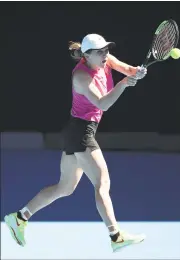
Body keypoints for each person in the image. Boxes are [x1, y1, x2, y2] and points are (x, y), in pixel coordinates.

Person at [4, 34, 147, 252]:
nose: (105, 54)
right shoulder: (81, 76)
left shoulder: (105, 60)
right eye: (100, 52)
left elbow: (128, 69)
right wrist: (125, 84)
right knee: (102, 183)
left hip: (76, 131)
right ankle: (116, 236)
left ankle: (19, 217)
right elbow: (103, 103)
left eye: (106, 50)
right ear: (87, 55)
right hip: (81, 132)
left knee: (65, 187)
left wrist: (137, 72)